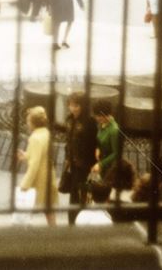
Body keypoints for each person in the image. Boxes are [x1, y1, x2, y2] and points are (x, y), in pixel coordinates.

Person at [17, 106, 58, 226]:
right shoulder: (46, 133)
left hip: (38, 180)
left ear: (33, 123)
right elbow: (40, 155)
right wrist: (26, 155)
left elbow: (34, 164)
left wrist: (25, 185)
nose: (27, 123)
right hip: (48, 176)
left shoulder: (35, 138)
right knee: (49, 209)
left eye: (28, 121)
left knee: (27, 207)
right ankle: (54, 233)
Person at [62, 92, 97, 225]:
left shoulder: (89, 122)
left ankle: (76, 222)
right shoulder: (70, 120)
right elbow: (68, 141)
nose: (73, 108)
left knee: (80, 195)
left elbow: (92, 145)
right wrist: (68, 158)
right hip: (73, 164)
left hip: (84, 166)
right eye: (71, 105)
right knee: (74, 194)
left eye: (76, 105)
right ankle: (72, 222)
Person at [91, 99, 120, 182]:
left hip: (108, 167)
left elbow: (116, 153)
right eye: (96, 115)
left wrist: (101, 164)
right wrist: (97, 148)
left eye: (100, 116)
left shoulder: (114, 130)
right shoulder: (102, 124)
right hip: (99, 163)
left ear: (108, 114)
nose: (97, 118)